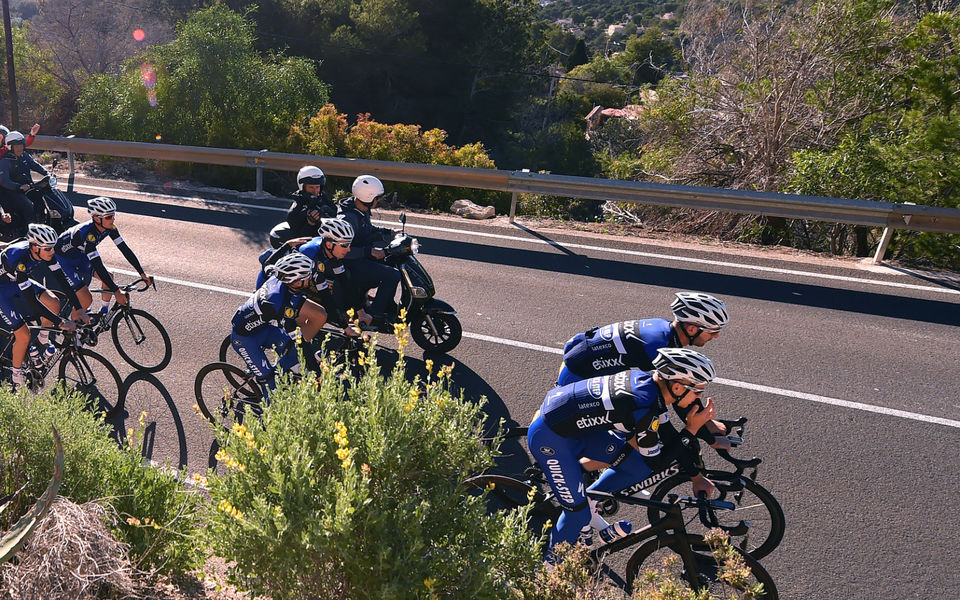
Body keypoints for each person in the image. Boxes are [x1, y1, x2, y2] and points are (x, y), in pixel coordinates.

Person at [527, 347, 717, 554]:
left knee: (637, 466)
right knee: (577, 515)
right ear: (678, 387)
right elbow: (658, 462)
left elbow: (668, 437)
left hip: (572, 427)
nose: (698, 398)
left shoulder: (649, 385)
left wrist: (696, 476)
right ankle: (550, 567)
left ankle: (590, 500)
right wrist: (691, 429)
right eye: (698, 391)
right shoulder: (645, 406)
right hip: (551, 440)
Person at [557, 292, 729, 386]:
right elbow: (676, 393)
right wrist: (706, 429)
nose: (716, 336)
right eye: (713, 331)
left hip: (577, 356)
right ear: (692, 329)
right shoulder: (660, 346)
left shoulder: (663, 327)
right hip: (578, 375)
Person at [231, 252, 329, 397]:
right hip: (244, 339)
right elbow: (299, 340)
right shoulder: (278, 304)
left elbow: (266, 264)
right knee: (270, 384)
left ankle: (283, 373)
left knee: (293, 351)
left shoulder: (278, 276)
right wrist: (316, 371)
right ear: (295, 281)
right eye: (307, 277)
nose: (310, 279)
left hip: (263, 329)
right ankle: (267, 409)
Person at [0, 224, 82, 387]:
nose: (52, 252)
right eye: (48, 249)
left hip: (14, 281)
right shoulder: (20, 261)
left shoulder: (45, 253)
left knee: (54, 302)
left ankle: (42, 340)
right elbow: (32, 301)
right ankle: (16, 375)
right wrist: (60, 322)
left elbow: (63, 280)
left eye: (53, 247)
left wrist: (79, 308)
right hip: (2, 289)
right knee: (23, 334)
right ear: (35, 248)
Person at [257, 217, 364, 337]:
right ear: (329, 244)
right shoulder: (311, 254)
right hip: (273, 286)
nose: (349, 249)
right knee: (317, 315)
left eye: (349, 244)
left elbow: (345, 282)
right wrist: (345, 327)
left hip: (294, 284)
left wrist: (361, 312)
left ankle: (298, 337)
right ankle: (292, 344)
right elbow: (326, 297)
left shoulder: (328, 250)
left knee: (322, 306)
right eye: (345, 245)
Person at [53, 197, 153, 323]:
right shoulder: (87, 234)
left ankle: (104, 314)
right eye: (108, 217)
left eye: (113, 215)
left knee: (109, 277)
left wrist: (142, 273)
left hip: (79, 255)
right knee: (86, 298)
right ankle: (74, 326)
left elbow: (124, 249)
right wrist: (116, 291)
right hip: (62, 259)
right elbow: (97, 264)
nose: (113, 219)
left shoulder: (110, 228)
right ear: (97, 218)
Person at [337, 175, 400, 325]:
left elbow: (367, 228)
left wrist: (389, 231)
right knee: (392, 275)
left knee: (392, 260)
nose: (378, 201)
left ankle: (386, 303)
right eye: (377, 198)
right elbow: (341, 250)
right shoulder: (348, 219)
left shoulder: (359, 208)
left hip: (360, 256)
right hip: (350, 262)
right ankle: (375, 315)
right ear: (368, 197)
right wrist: (368, 252)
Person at [268, 166, 338, 248]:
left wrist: (326, 210)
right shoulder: (297, 209)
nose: (315, 191)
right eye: (311, 187)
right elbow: (300, 239)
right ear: (303, 187)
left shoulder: (323, 198)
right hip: (311, 246)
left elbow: (337, 213)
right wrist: (310, 223)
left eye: (317, 187)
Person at [0, 131, 48, 236]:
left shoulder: (24, 155)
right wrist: (18, 187)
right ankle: (32, 233)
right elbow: (4, 181)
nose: (20, 148)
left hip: (28, 187)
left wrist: (47, 173)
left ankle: (44, 223)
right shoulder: (5, 160)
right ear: (10, 147)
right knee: (28, 205)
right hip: (13, 191)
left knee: (44, 199)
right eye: (16, 146)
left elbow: (35, 165)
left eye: (21, 145)